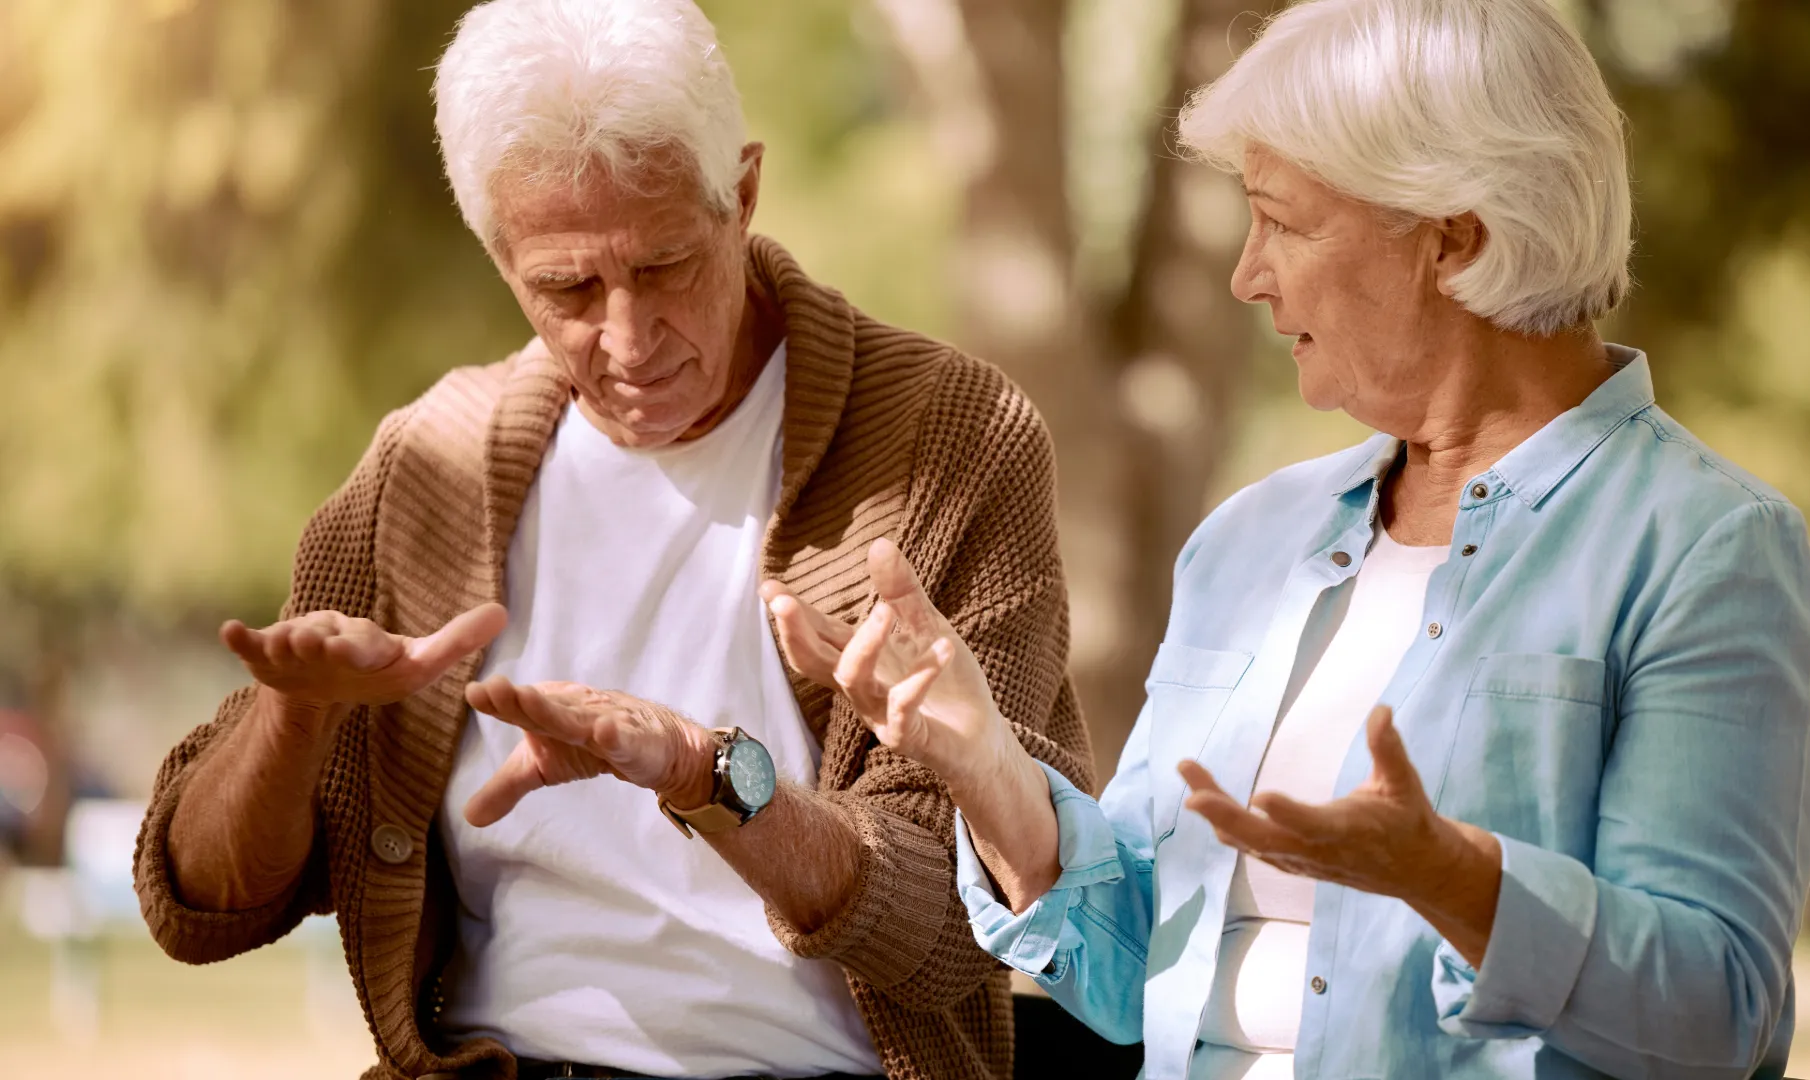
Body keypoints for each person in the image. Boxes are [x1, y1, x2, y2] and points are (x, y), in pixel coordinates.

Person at [766, 1, 1810, 1077]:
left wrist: (1455, 878)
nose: (1247, 273)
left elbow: (1717, 1018)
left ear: (1451, 236)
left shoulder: (1711, 553)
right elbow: (1135, 969)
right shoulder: (1249, 542)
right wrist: (983, 766)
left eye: (1281, 220)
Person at [131, 2, 1092, 1078]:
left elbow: (980, 918)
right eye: (568, 288)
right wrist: (290, 719)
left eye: (665, 264)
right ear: (501, 260)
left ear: (743, 193)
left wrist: (709, 779)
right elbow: (200, 907)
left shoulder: (948, 440)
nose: (628, 339)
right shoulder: (428, 467)